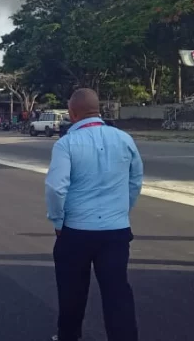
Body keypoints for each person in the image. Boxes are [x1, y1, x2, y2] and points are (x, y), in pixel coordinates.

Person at [45, 88, 143, 341]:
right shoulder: (124, 139)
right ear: (98, 110)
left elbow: (56, 188)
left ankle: (68, 337)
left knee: (72, 293)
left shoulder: (66, 144)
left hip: (75, 232)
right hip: (115, 232)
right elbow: (135, 181)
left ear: (72, 113)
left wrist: (58, 221)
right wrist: (122, 211)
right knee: (117, 292)